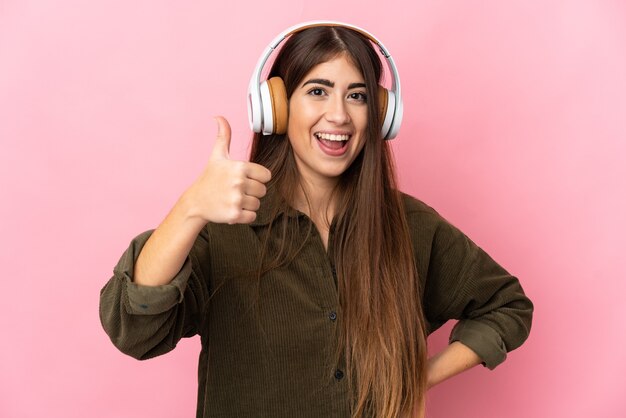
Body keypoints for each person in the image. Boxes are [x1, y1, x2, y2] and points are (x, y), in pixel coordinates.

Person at [99, 21, 533, 418]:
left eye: (357, 95)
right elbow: (133, 328)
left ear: (380, 114)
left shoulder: (411, 225)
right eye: (318, 91)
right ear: (277, 107)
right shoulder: (222, 226)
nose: (340, 115)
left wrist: (416, 380)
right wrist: (190, 207)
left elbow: (507, 306)